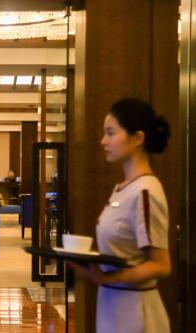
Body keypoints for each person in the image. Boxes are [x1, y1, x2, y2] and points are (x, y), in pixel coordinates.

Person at [70, 97, 172, 333]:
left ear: (137, 138)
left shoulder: (145, 190)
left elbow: (161, 265)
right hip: (112, 303)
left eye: (111, 133)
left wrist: (106, 279)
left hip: (135, 311)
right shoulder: (122, 188)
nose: (103, 141)